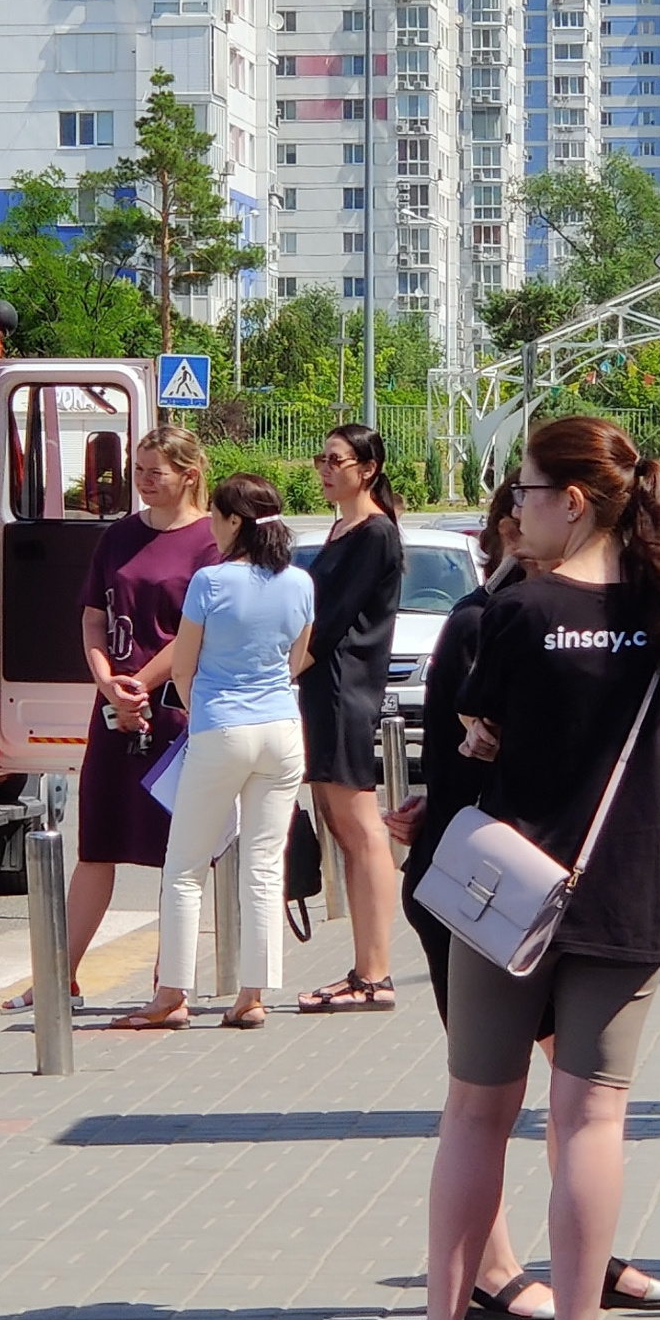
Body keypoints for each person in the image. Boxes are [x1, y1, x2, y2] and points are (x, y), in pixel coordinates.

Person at [407, 417, 660, 1320]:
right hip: (622, 894)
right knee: (589, 1118)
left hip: (504, 895)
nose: (517, 505)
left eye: (527, 489)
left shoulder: (518, 608)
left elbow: (479, 744)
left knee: (475, 1111)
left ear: (572, 499)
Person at [17, 428, 222, 1016]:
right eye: (138, 469)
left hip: (175, 708)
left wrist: (144, 685)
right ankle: (59, 976)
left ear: (189, 473)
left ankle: (170, 981)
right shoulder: (119, 536)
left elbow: (196, 633)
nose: (144, 480)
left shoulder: (210, 541)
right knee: (97, 842)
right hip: (114, 707)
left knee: (177, 852)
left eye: (156, 470)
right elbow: (92, 618)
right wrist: (108, 680)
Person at [110, 475, 316, 1031]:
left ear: (233, 523)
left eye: (219, 520)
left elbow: (182, 666)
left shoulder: (210, 582)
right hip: (281, 729)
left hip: (220, 728)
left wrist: (194, 700)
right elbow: (300, 657)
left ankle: (171, 994)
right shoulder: (300, 583)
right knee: (265, 863)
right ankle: (252, 996)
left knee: (184, 868)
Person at [296, 424, 406, 1013]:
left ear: (367, 467)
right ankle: (365, 968)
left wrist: (284, 670)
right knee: (344, 826)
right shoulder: (341, 530)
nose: (325, 469)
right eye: (322, 458)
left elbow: (332, 620)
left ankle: (376, 972)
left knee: (361, 828)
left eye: (336, 460)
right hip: (324, 687)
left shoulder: (375, 533)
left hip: (344, 687)